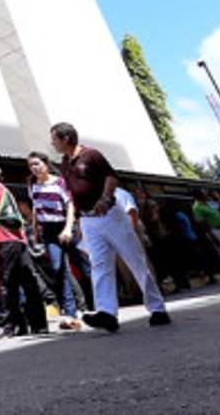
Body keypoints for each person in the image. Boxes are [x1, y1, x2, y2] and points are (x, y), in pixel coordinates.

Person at [51, 122, 169, 332]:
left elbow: (111, 177)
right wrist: (78, 221)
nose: (52, 143)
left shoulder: (92, 155)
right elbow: (72, 193)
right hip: (88, 221)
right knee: (99, 266)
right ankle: (107, 313)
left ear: (66, 138)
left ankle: (157, 308)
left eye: (54, 139)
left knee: (136, 262)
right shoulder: (64, 162)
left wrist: (105, 198)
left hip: (110, 215)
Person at [0, 163, 48, 335]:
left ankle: (15, 324)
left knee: (7, 283)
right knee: (28, 281)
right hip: (19, 239)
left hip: (4, 239)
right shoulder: (4, 188)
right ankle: (39, 323)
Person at [26, 152, 84, 329]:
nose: (34, 168)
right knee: (59, 269)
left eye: (37, 164)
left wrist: (68, 228)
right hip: (49, 231)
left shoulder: (59, 181)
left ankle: (97, 305)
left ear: (45, 164)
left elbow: (70, 204)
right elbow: (36, 207)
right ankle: (71, 313)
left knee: (84, 264)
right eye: (31, 165)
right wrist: (36, 229)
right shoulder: (32, 184)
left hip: (66, 225)